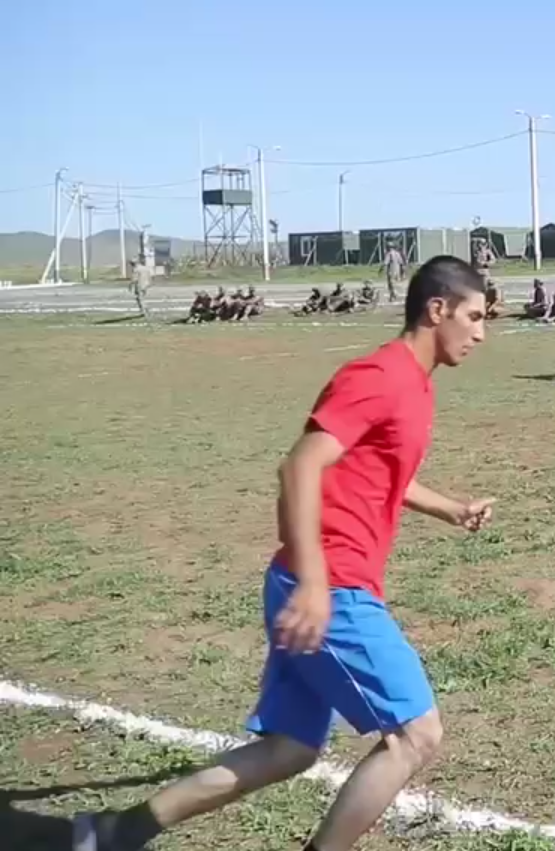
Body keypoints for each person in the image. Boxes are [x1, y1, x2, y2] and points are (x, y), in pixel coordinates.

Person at [73, 257, 495, 851]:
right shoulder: (380, 376)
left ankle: (116, 831)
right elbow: (299, 464)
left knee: (289, 749)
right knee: (417, 734)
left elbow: (381, 475)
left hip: (312, 582)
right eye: (475, 317)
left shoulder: (416, 385)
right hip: (331, 588)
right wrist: (317, 584)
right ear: (437, 310)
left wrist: (450, 508)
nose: (481, 332)